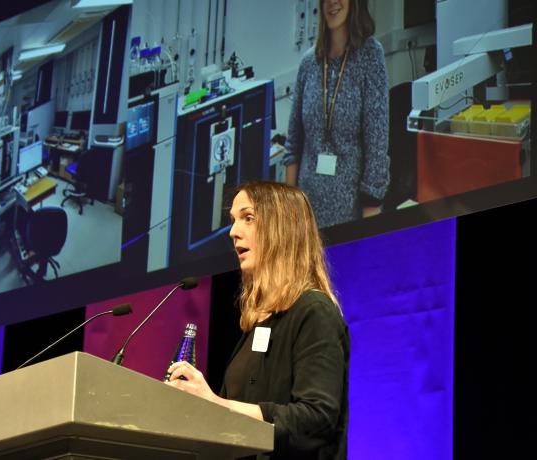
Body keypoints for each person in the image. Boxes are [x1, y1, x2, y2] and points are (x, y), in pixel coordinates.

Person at [166, 181, 349, 459]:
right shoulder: (258, 323)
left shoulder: (314, 311)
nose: (233, 232)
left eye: (248, 218)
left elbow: (316, 418)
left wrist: (217, 404)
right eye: (233, 221)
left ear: (282, 229)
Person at [284, 0, 389, 228]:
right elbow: (293, 145)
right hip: (306, 213)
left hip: (351, 214)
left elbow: (377, 143)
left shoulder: (370, 55)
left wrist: (372, 208)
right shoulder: (309, 63)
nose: (332, 2)